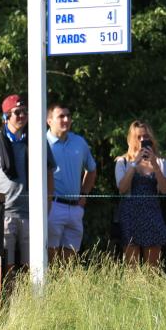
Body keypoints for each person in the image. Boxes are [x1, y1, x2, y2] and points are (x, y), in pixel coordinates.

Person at [0, 95, 55, 293]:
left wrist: (47, 206)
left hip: (32, 214)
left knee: (33, 265)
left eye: (25, 112)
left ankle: (31, 305)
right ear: (5, 116)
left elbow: (49, 173)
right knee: (5, 265)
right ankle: (6, 306)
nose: (22, 116)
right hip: (4, 213)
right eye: (17, 112)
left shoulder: (38, 141)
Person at [114, 121, 166, 267]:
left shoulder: (160, 162)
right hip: (129, 214)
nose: (142, 140)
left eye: (145, 136)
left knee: (153, 269)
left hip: (152, 214)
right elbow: (122, 188)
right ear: (131, 139)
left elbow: (165, 189)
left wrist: (154, 164)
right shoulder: (122, 162)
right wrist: (134, 163)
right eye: (138, 137)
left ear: (151, 138)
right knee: (132, 268)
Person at [46, 103, 97, 261]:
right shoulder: (41, 143)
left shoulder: (79, 142)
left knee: (70, 260)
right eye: (61, 116)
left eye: (68, 116)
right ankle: (51, 286)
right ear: (49, 121)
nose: (66, 119)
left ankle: (65, 286)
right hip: (52, 206)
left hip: (75, 207)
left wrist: (84, 194)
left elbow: (92, 169)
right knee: (51, 256)